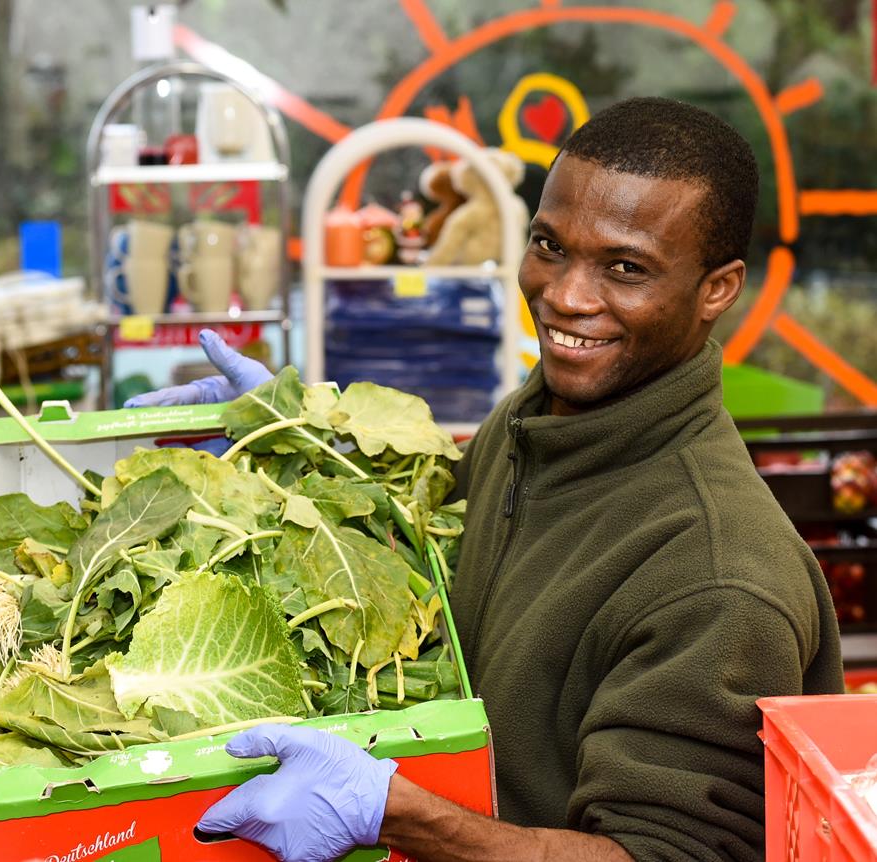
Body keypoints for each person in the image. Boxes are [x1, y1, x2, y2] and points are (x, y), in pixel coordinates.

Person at [128, 97, 844, 861]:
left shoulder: (719, 576)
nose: (566, 296)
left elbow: (664, 856)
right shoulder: (539, 418)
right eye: (549, 244)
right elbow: (434, 536)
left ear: (717, 290)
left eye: (625, 268)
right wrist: (286, 435)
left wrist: (397, 816)